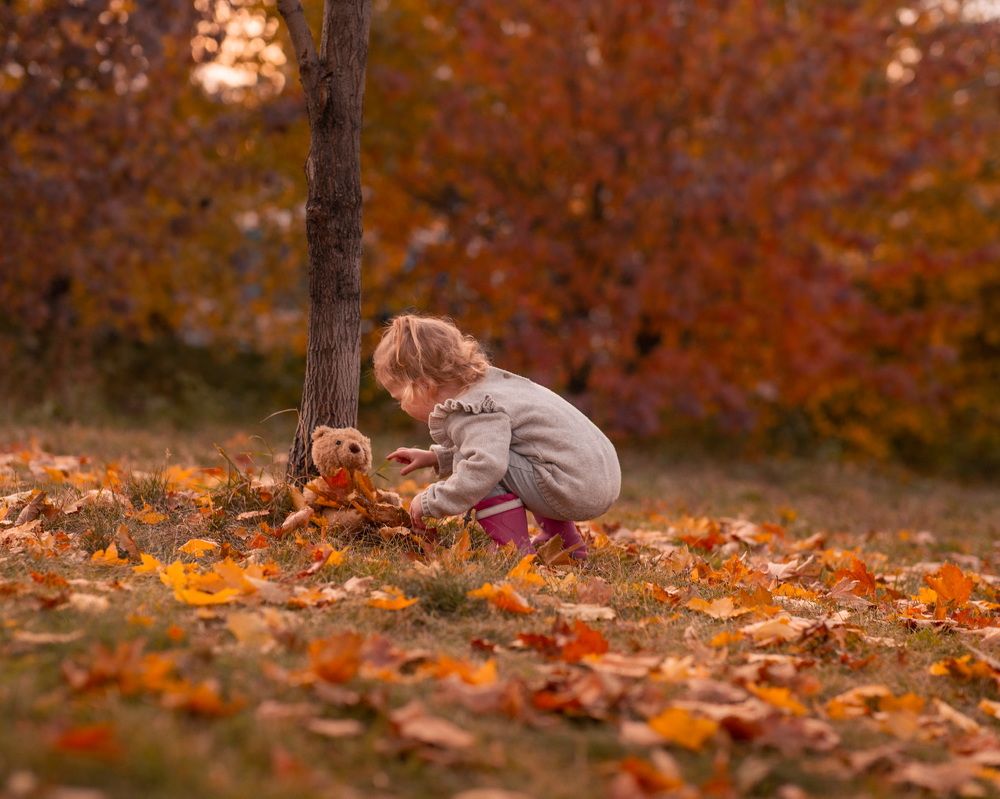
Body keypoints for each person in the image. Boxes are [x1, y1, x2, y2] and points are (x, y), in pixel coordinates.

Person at [373, 314, 620, 559]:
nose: (402, 407)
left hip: (573, 487)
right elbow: (500, 442)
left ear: (423, 386)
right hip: (594, 476)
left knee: (481, 470)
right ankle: (564, 543)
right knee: (502, 458)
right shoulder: (490, 386)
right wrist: (435, 457)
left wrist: (430, 501)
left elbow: (484, 464)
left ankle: (512, 549)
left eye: (399, 399)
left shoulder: (474, 408)